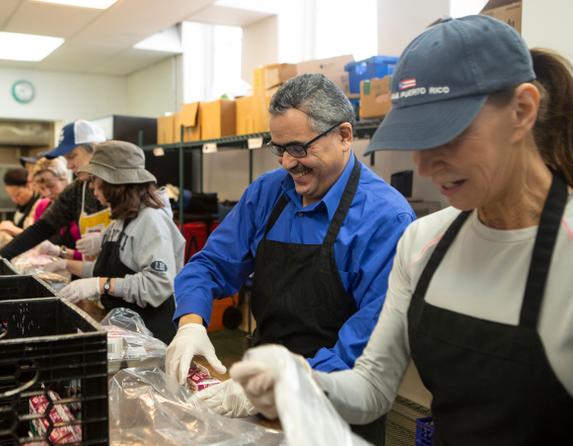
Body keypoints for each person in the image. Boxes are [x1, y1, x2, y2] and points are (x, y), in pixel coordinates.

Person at [230, 15, 573, 445]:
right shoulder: (423, 243)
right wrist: (301, 383)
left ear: (522, 111)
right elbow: (372, 388)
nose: (425, 167)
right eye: (415, 144)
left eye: (446, 138)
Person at [166, 73, 415, 442]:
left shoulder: (385, 219)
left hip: (335, 409)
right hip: (255, 392)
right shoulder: (268, 194)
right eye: (278, 148)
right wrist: (191, 323)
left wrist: (284, 386)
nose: (286, 163)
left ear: (344, 136)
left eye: (298, 148)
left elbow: (365, 349)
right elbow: (209, 265)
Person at [53, 141, 185, 343]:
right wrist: (65, 264)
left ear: (114, 183)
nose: (91, 187)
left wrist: (100, 285)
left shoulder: (151, 221)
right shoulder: (121, 219)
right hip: (127, 332)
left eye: (95, 180)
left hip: (152, 338)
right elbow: (106, 272)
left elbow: (156, 285)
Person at [0, 119, 110, 260]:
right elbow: (42, 228)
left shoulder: (124, 188)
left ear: (95, 149)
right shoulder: (78, 190)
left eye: (72, 157)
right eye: (66, 159)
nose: (69, 166)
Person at [29, 157, 83, 261]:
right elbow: (34, 241)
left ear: (65, 179)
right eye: (41, 188)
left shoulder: (82, 208)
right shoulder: (42, 206)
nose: (47, 193)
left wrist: (60, 251)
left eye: (51, 186)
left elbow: (93, 259)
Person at [0, 167, 39, 236]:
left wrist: (13, 229)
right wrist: (1, 228)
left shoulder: (39, 204)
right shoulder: (21, 205)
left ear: (29, 186)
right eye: (11, 196)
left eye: (17, 195)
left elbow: (37, 236)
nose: (14, 200)